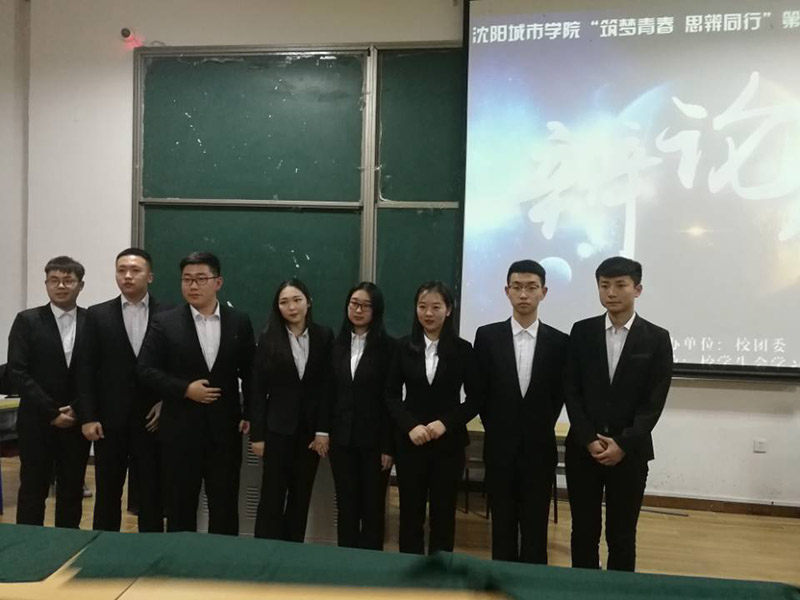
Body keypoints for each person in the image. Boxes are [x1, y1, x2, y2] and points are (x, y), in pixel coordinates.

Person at [564, 256, 673, 572]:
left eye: (620, 285)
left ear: (637, 289)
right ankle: (581, 587)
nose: (611, 292)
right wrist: (588, 439)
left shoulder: (656, 338)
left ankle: (620, 590)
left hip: (631, 452)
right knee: (583, 530)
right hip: (584, 450)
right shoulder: (582, 332)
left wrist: (623, 443)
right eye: (604, 285)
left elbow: (654, 401)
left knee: (622, 533)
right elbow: (571, 390)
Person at [137, 251, 254, 535]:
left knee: (224, 505)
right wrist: (184, 389)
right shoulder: (165, 322)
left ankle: (221, 559)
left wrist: (250, 411)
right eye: (187, 279)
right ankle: (180, 560)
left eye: (201, 279)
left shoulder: (238, 321)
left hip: (224, 431)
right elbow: (145, 369)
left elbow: (251, 372)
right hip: (180, 430)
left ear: (218, 282)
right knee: (180, 506)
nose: (193, 285)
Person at [473, 260, 568, 564]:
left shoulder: (560, 342)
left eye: (531, 287)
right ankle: (501, 581)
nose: (524, 294)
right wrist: (500, 428)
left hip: (539, 449)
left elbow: (558, 395)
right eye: (517, 287)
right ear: (507, 291)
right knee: (501, 525)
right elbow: (480, 392)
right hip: (499, 448)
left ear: (544, 292)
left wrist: (536, 427)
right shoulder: (487, 337)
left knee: (535, 527)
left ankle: (532, 583)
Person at [77, 247, 167, 532]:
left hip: (152, 419)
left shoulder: (170, 314)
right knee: (107, 491)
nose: (127, 276)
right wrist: (88, 416)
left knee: (152, 491)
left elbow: (178, 366)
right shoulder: (97, 314)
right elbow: (85, 370)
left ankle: (151, 548)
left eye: (135, 270)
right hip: (109, 420)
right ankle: (103, 546)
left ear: (150, 276)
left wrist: (167, 401)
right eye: (121, 270)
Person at [386, 281, 477, 555]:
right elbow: (390, 395)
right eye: (422, 306)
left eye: (436, 307)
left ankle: (440, 571)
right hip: (411, 443)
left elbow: (475, 399)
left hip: (448, 445)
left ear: (448, 310)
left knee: (443, 514)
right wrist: (410, 426)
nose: (428, 313)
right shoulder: (402, 347)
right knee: (410, 513)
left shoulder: (463, 349)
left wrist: (445, 423)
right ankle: (409, 570)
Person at [7, 256, 90, 527]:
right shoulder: (27, 320)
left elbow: (98, 373)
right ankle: (29, 546)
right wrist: (51, 412)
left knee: (71, 491)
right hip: (37, 421)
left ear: (80, 285)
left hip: (77, 421)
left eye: (68, 280)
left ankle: (67, 545)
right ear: (46, 284)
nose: (61, 286)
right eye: (54, 280)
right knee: (33, 490)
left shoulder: (92, 321)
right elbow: (18, 371)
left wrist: (76, 408)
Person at [249, 279, 334, 542]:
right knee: (271, 496)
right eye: (284, 302)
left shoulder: (324, 336)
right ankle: (265, 552)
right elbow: (257, 389)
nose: (292, 307)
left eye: (297, 300)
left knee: (301, 495)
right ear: (278, 307)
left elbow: (328, 388)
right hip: (277, 430)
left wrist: (323, 430)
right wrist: (257, 435)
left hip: (310, 434)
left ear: (309, 302)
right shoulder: (268, 338)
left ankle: (292, 550)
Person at [329, 282, 396, 550]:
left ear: (376, 310)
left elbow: (391, 400)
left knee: (372, 508)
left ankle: (371, 564)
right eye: (354, 304)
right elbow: (328, 393)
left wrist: (388, 446)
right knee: (346, 506)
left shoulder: (389, 348)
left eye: (366, 306)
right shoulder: (336, 344)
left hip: (374, 443)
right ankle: (346, 561)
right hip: (341, 440)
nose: (358, 310)